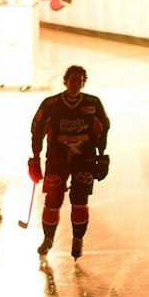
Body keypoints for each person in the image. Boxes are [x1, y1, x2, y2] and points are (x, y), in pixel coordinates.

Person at [28, 64, 110, 259]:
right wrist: (35, 158)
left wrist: (101, 155)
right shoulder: (51, 104)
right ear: (65, 81)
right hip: (57, 158)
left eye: (79, 81)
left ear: (83, 83)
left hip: (85, 158)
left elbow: (104, 128)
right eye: (72, 81)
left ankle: (77, 239)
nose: (75, 85)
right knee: (53, 200)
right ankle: (48, 239)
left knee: (80, 200)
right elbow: (36, 130)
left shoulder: (93, 103)